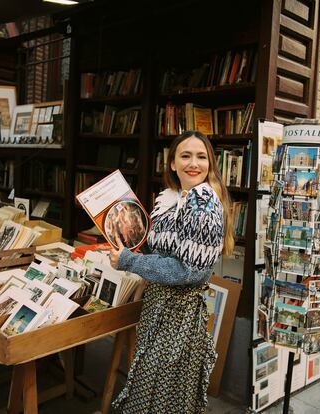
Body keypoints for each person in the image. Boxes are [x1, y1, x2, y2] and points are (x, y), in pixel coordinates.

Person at [109, 130, 234, 413]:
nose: (194, 163)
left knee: (163, 397)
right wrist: (128, 245)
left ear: (210, 164)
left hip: (179, 318)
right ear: (172, 164)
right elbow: (160, 252)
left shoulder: (203, 202)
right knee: (149, 390)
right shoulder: (170, 199)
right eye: (185, 156)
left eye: (201, 157)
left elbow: (187, 271)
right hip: (158, 308)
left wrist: (131, 261)